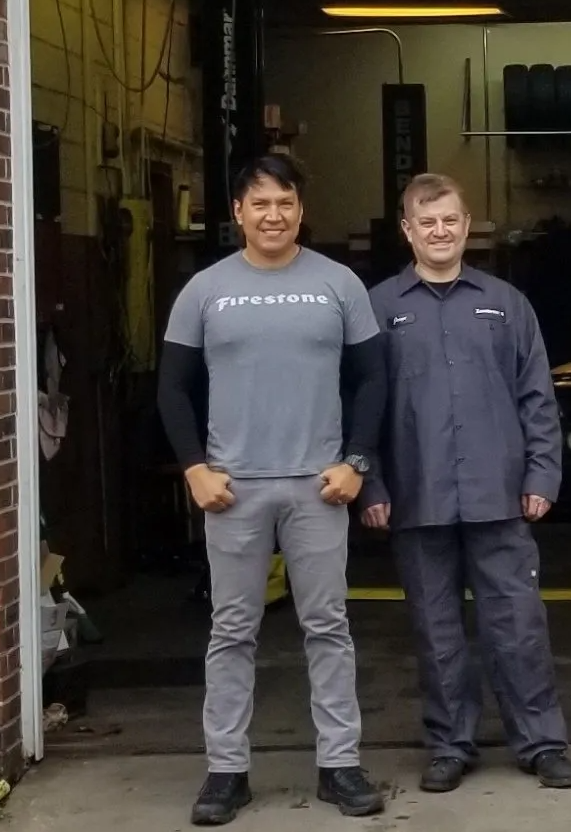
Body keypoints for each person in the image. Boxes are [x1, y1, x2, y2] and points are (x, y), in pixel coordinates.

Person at [157, 153, 388, 825]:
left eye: (284, 201)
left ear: (300, 208)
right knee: (232, 630)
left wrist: (357, 462)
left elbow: (373, 377)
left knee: (328, 626)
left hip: (320, 487)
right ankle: (226, 771)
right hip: (234, 489)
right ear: (237, 212)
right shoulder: (205, 290)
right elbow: (172, 387)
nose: (273, 214)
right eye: (259, 203)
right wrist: (194, 466)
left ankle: (340, 764)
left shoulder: (339, 283)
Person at [358, 172, 571, 793]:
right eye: (426, 222)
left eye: (450, 220)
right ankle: (450, 745)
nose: (439, 231)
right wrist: (370, 485)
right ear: (407, 229)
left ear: (468, 226)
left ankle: (541, 743)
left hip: (500, 495)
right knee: (436, 631)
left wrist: (543, 472)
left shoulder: (507, 304)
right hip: (416, 495)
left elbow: (538, 396)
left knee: (518, 626)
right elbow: (358, 407)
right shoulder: (378, 309)